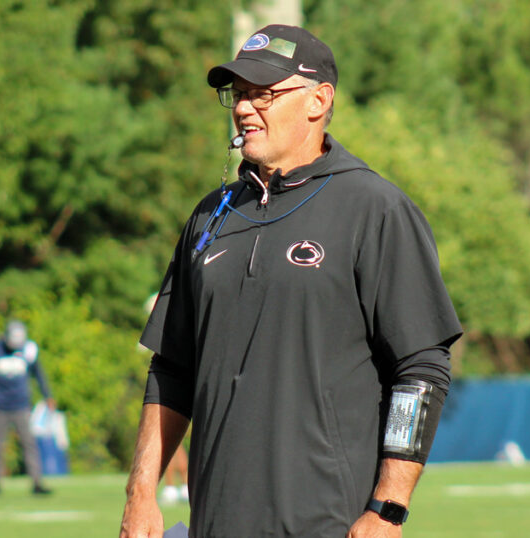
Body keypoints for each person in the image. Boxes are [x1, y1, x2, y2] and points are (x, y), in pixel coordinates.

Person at [120, 24, 462, 538]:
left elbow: (422, 368)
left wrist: (388, 508)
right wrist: (141, 495)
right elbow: (171, 368)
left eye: (264, 94)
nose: (243, 108)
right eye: (238, 95)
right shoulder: (211, 216)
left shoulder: (375, 208)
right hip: (212, 524)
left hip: (328, 523)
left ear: (318, 101)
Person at [0, 319, 55, 496]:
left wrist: (47, 395)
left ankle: (36, 482)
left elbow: (39, 374)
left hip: (21, 405)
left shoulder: (28, 350)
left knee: (29, 444)